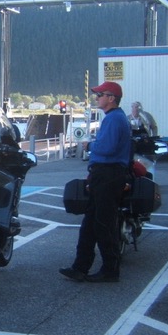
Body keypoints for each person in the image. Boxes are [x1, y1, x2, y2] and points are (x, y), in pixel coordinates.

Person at [60, 81, 131, 283]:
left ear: (111, 98)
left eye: (100, 94)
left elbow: (107, 148)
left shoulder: (114, 119)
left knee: (103, 224)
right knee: (90, 224)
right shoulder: (114, 118)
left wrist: (90, 144)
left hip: (108, 176)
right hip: (104, 175)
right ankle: (80, 267)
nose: (97, 97)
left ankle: (110, 270)